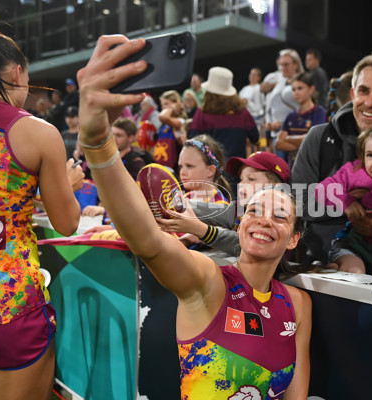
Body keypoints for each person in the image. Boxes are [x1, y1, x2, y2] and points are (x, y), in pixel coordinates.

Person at [76, 34, 311, 399]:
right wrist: (97, 143)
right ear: (239, 222)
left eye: (280, 215)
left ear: (294, 238)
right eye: (252, 210)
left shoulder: (297, 304)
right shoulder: (208, 282)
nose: (264, 219)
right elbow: (149, 241)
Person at [0, 14, 83, 400]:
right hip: (9, 305)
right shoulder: (36, 131)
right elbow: (66, 223)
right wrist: (69, 186)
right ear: (18, 72)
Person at [292, 53, 372, 263]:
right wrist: (350, 203)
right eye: (364, 91)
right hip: (331, 260)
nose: (369, 102)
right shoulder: (319, 137)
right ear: (353, 93)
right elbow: (299, 201)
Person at [315, 121, 372, 276]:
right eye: (370, 155)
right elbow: (322, 189)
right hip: (355, 245)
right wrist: (346, 202)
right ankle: (334, 269)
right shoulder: (355, 171)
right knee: (354, 272)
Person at [157, 151, 291, 257]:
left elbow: (245, 244)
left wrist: (200, 229)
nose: (241, 184)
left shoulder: (282, 220)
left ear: (276, 187)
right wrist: (166, 202)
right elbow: (206, 209)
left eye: (251, 179)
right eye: (241, 179)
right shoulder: (238, 209)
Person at [187, 66, 259, 194]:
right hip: (238, 174)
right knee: (238, 210)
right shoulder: (243, 114)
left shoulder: (202, 114)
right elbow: (256, 137)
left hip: (211, 175)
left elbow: (193, 140)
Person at [275, 72, 327, 164]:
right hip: (292, 168)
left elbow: (313, 141)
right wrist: (303, 142)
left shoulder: (319, 112)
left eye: (300, 88)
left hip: (311, 167)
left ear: (311, 89)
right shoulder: (290, 116)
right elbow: (278, 144)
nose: (296, 93)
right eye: (293, 89)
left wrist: (287, 138)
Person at [265, 49, 305, 155]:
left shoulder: (303, 83)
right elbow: (270, 106)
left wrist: (281, 123)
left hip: (294, 135)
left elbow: (304, 109)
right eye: (281, 65)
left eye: (286, 64)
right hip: (277, 135)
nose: (283, 68)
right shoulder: (280, 82)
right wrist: (269, 122)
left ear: (296, 64)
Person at [179, 136, 231, 206]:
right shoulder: (185, 198)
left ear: (210, 171)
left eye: (189, 166)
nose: (182, 172)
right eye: (181, 166)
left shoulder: (219, 205)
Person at [153, 90, 186, 171]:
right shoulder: (164, 126)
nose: (164, 107)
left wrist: (172, 109)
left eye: (167, 104)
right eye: (162, 104)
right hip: (160, 168)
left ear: (176, 103)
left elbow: (162, 117)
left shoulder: (180, 122)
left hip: (174, 170)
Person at [239, 67, 265, 149]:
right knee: (248, 142)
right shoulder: (244, 89)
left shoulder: (259, 88)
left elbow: (261, 105)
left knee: (261, 141)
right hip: (247, 118)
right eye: (251, 74)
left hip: (258, 118)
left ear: (258, 77)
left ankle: (263, 157)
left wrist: (248, 102)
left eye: (254, 75)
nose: (252, 76)